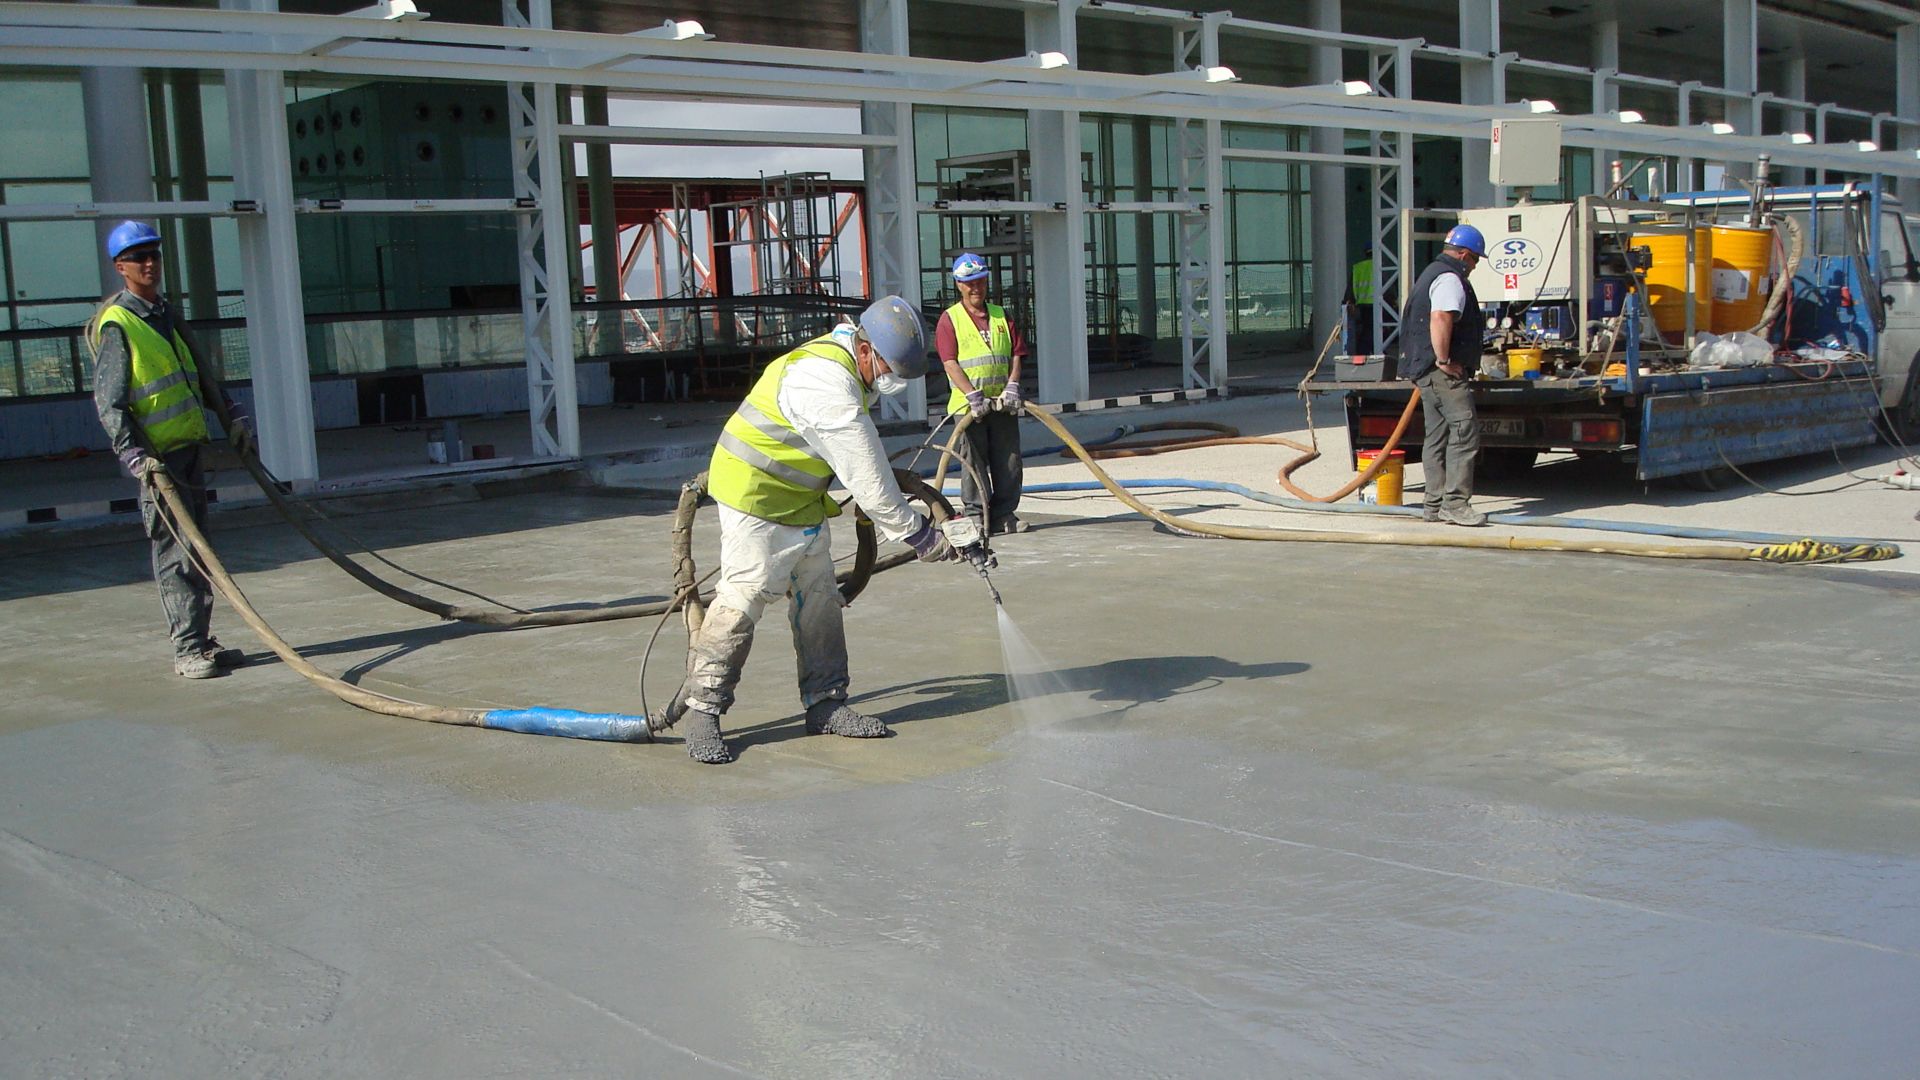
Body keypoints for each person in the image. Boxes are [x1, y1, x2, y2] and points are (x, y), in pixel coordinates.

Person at [649, 296, 981, 764]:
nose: (888, 382)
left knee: (820, 597)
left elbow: (858, 463)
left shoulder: (848, 365)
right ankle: (703, 710)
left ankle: (826, 704)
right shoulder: (825, 383)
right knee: (745, 595)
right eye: (886, 369)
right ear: (865, 349)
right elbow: (870, 483)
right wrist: (924, 537)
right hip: (754, 494)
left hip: (801, 498)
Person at [90, 220, 253, 678]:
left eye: (154, 255)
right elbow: (110, 401)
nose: (149, 264)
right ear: (121, 267)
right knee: (176, 554)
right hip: (158, 463)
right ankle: (186, 649)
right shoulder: (118, 324)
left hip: (188, 452)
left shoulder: (163, 315)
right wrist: (134, 456)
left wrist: (232, 416)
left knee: (199, 551)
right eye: (138, 258)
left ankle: (202, 640)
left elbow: (199, 375)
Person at [1400, 223, 1489, 527]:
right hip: (1441, 372)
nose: (1475, 266)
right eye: (1475, 259)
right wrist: (1444, 360)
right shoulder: (1450, 278)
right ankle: (1455, 504)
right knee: (1464, 431)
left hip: (1424, 370)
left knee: (1437, 435)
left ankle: (1434, 506)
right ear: (1464, 254)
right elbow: (1440, 317)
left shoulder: (1432, 272)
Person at [936, 252, 1029, 535]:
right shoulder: (950, 320)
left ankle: (1004, 514)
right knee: (972, 463)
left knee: (1009, 460)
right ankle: (978, 515)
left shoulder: (1001, 315)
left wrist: (1012, 384)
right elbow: (949, 361)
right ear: (959, 284)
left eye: (980, 281)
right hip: (969, 407)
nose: (975, 288)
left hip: (1002, 404)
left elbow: (1016, 353)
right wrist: (971, 394)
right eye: (969, 283)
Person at [1343, 243, 1376, 356]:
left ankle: (1365, 351)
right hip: (1377, 304)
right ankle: (1365, 351)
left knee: (1367, 329)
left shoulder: (1358, 267)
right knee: (1374, 331)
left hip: (1362, 304)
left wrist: (1348, 301)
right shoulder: (1379, 266)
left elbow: (1351, 287)